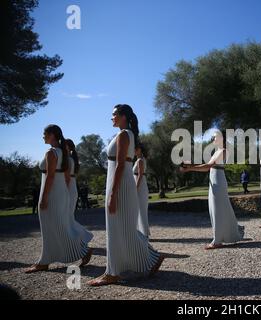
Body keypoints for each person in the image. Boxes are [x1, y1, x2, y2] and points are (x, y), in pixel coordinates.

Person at [87, 105, 164, 286]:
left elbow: (121, 165)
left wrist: (113, 193)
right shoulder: (127, 134)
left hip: (120, 186)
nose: (111, 117)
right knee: (123, 228)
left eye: (114, 114)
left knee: (117, 228)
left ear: (123, 116)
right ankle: (151, 258)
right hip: (122, 184)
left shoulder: (123, 135)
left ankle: (113, 273)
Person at [25, 125, 93, 273]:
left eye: (44, 134)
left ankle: (80, 251)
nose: (43, 136)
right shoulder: (63, 153)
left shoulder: (51, 152)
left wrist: (43, 198)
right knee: (57, 226)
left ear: (51, 135)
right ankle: (45, 259)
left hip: (52, 193)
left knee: (52, 226)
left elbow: (50, 177)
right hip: (60, 192)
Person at [180, 130, 245, 250]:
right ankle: (233, 231)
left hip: (218, 181)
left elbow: (208, 167)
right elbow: (207, 167)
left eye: (214, 137)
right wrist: (190, 167)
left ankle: (217, 240)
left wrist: (190, 168)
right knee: (218, 208)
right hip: (214, 181)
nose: (212, 139)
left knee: (217, 209)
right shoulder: (217, 151)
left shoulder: (223, 151)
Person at [133, 144, 150, 237]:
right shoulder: (140, 160)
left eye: (135, 149)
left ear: (139, 149)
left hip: (140, 186)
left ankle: (144, 232)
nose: (133, 151)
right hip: (141, 185)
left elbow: (140, 175)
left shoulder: (140, 160)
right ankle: (142, 231)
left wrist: (135, 188)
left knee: (141, 209)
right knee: (140, 209)